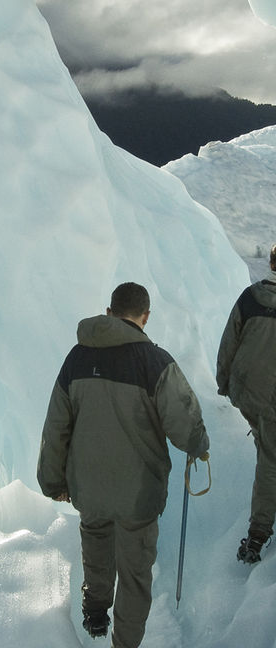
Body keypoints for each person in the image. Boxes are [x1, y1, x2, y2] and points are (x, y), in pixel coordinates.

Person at [37, 282, 209, 648]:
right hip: (138, 494)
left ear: (109, 311)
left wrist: (53, 481)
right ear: (145, 317)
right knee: (134, 575)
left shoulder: (76, 358)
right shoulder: (156, 362)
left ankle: (96, 610)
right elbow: (184, 419)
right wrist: (198, 445)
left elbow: (56, 426)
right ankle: (125, 642)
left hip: (89, 487)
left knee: (96, 545)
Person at [217, 244, 276, 564]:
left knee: (268, 451)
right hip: (271, 398)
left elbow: (229, 342)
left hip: (247, 391)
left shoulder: (250, 297)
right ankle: (258, 536)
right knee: (270, 461)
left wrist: (224, 382)